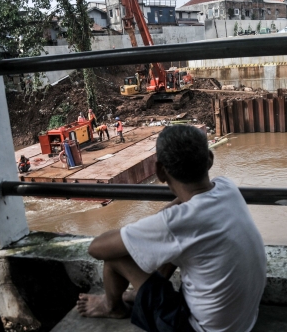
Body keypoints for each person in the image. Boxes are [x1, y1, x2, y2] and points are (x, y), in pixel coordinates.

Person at [76, 125, 267, 332]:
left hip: (195, 328)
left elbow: (96, 248)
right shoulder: (226, 186)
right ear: (210, 159)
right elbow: (193, 205)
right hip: (243, 322)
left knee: (117, 256)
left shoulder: (176, 223)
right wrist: (160, 223)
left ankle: (112, 307)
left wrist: (153, 224)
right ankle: (141, 293)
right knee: (170, 245)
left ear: (159, 171)